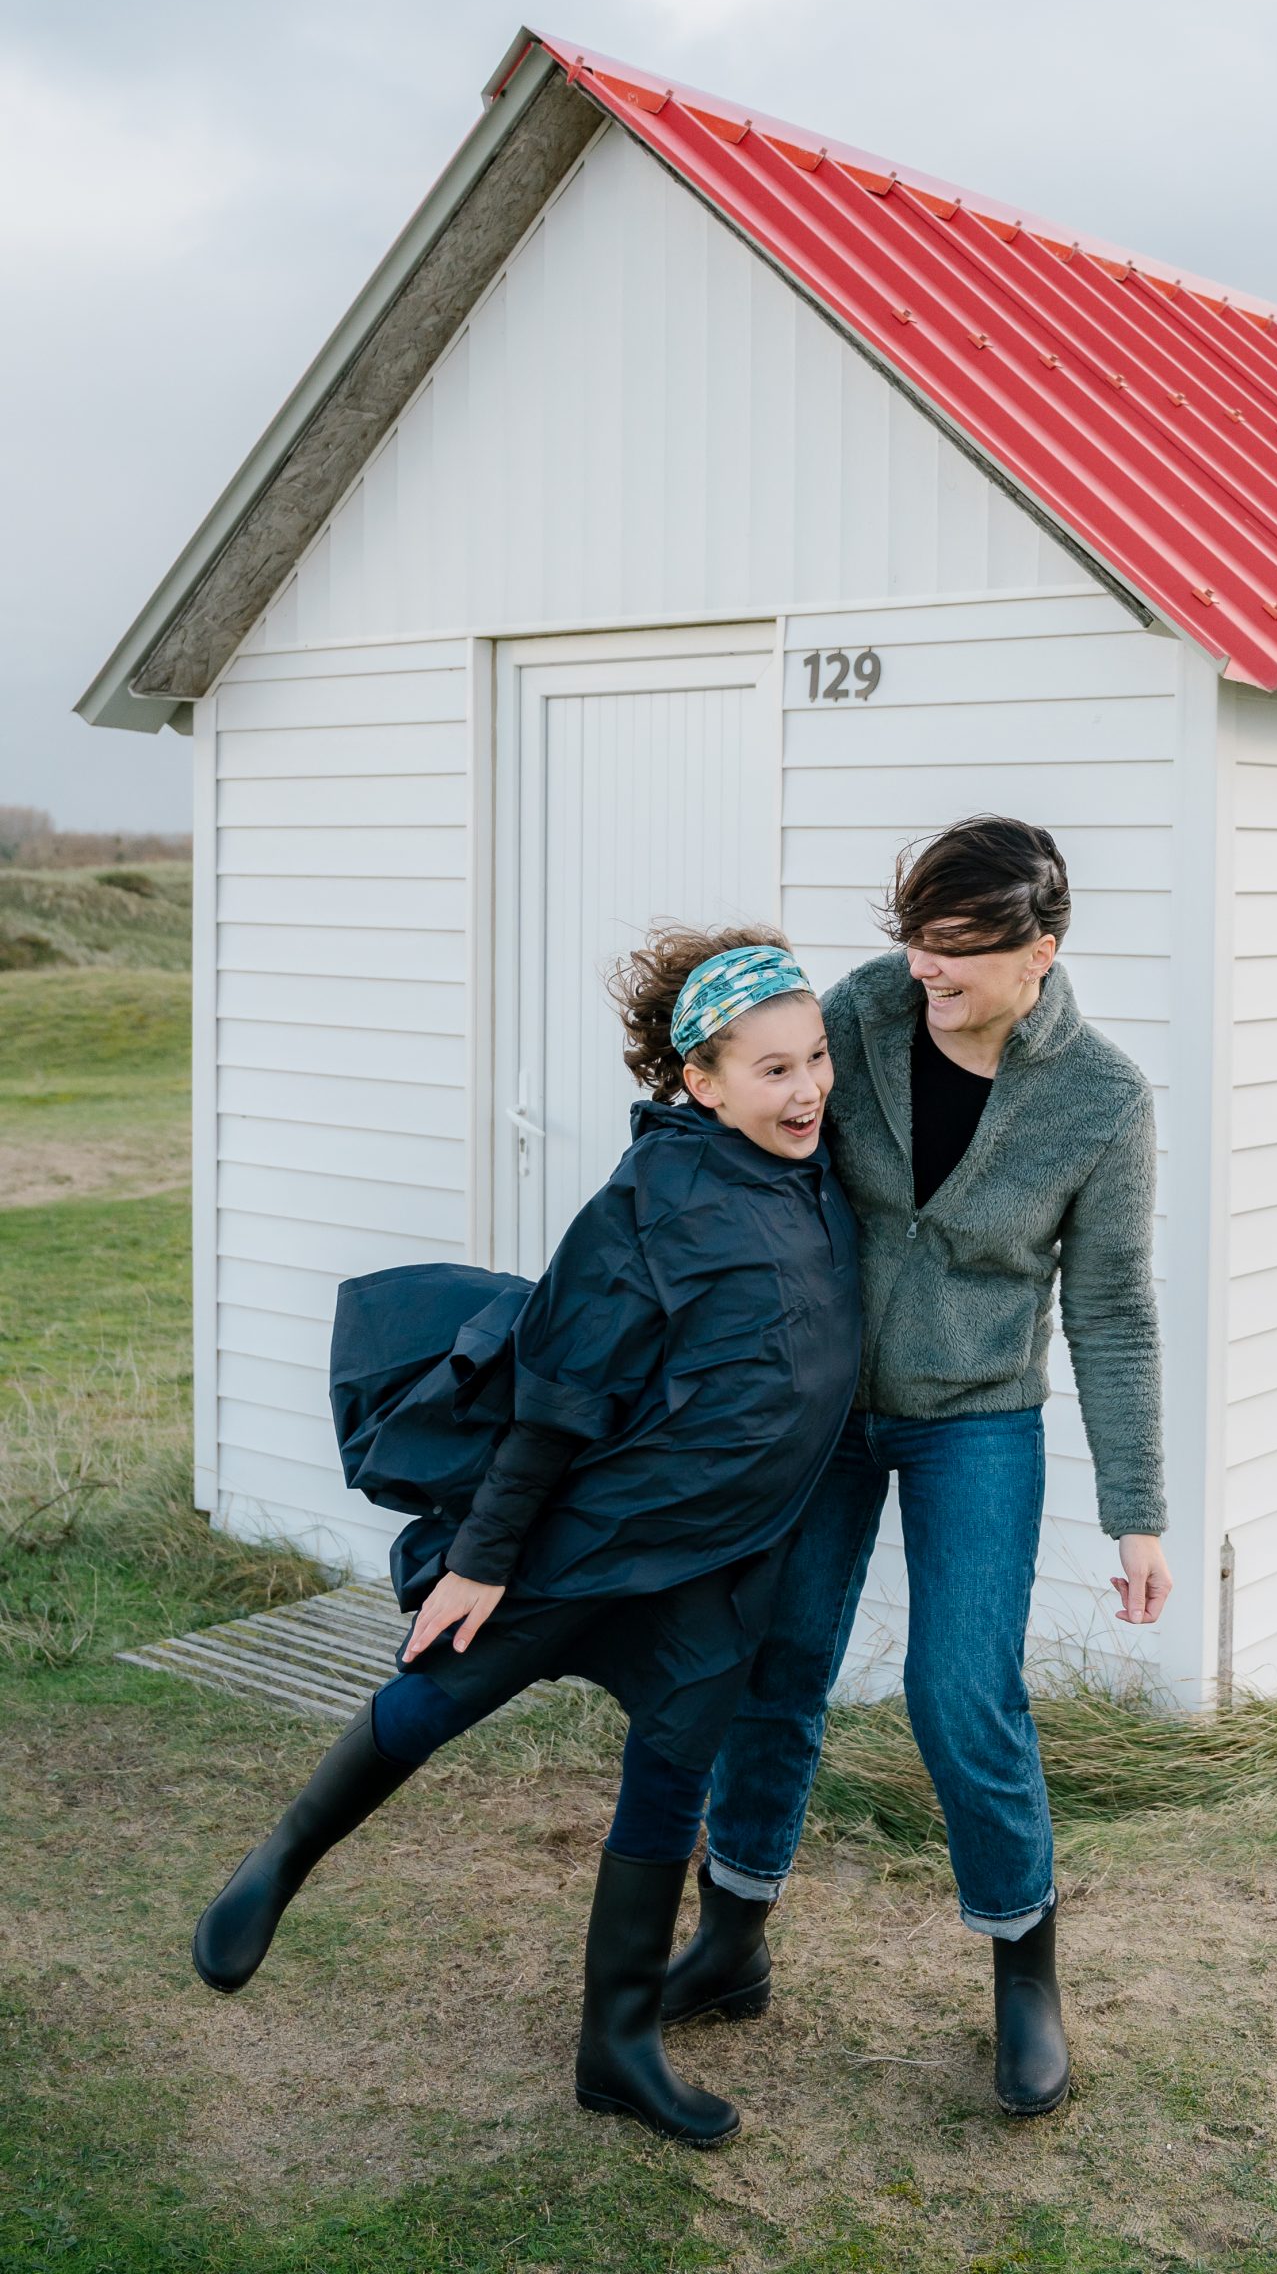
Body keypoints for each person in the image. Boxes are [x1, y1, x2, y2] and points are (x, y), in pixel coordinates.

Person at [191, 930, 861, 2149]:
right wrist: (483, 1556)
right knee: (442, 1687)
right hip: (586, 1539)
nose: (807, 1086)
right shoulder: (643, 1207)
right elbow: (553, 1398)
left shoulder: (821, 1172)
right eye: (771, 1070)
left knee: (669, 1776)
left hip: (715, 1567)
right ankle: (279, 1860)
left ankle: (615, 2048)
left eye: (814, 1058)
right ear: (697, 1081)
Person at [663, 818, 1171, 2118]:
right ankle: (728, 1940)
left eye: (954, 952)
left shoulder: (1101, 1102)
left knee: (961, 1693)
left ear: (1037, 952)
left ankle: (1021, 1968)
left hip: (974, 1423)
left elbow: (1110, 1309)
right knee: (776, 1660)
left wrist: (1137, 1514)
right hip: (825, 1408)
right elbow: (768, 1145)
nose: (922, 971)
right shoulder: (863, 1013)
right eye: (914, 942)